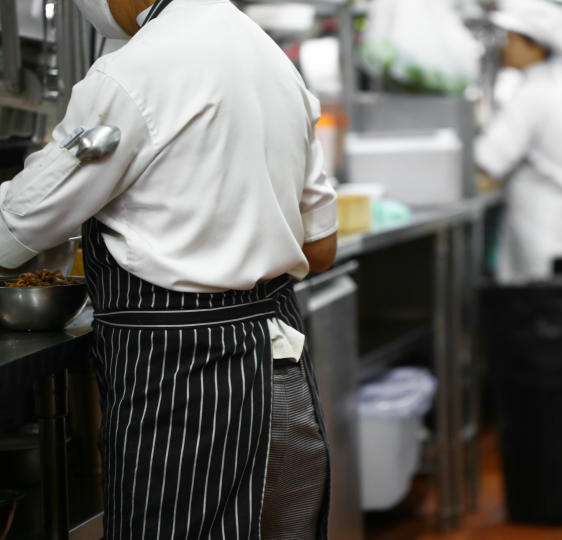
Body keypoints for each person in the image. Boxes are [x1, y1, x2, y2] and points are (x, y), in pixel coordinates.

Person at [0, 0, 338, 536]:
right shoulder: (275, 62)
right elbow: (322, 247)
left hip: (183, 392)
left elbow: (18, 224)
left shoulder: (132, 71)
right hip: (279, 372)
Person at [476, 0, 562, 284]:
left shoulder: (531, 94)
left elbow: (489, 158)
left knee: (545, 313)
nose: (504, 47)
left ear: (535, 45)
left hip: (543, 227)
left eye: (511, 39)